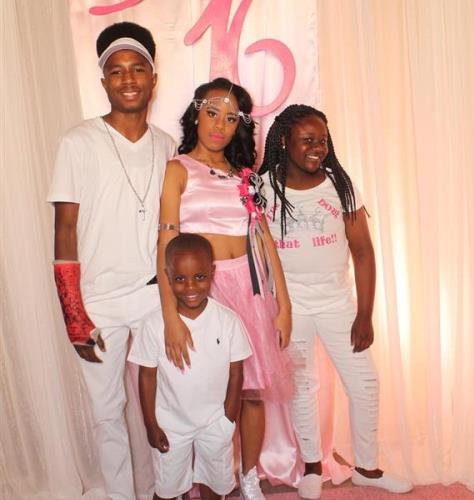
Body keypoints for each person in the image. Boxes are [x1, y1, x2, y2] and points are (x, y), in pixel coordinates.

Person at [47, 22, 176, 500]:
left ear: (153, 78)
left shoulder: (167, 145)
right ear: (103, 81)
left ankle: (166, 489)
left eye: (137, 68)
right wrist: (74, 314)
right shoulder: (78, 142)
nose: (128, 80)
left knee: (166, 402)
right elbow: (64, 230)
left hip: (153, 297)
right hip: (98, 300)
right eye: (116, 71)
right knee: (107, 411)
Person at [260, 104, 413, 498]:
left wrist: (364, 314)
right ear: (284, 141)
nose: (318, 148)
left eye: (323, 140)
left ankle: (367, 469)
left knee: (364, 383)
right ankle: (312, 467)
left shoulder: (339, 186)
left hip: (337, 304)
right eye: (307, 140)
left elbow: (363, 252)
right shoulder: (264, 188)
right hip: (290, 307)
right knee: (302, 385)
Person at [157, 77, 292, 499]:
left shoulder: (245, 177)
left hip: (249, 290)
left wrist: (283, 305)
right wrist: (170, 316)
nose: (219, 125)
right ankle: (201, 481)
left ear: (240, 126)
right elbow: (165, 246)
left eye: (231, 118)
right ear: (196, 115)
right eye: (212, 113)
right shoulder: (177, 170)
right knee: (206, 393)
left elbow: (264, 241)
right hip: (204, 294)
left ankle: (248, 477)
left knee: (251, 390)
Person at [128, 233, 252, 500]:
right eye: (180, 279)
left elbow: (236, 374)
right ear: (167, 276)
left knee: (214, 487)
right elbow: (146, 376)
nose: (190, 286)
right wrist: (150, 425)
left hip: (215, 423)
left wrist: (228, 419)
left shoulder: (228, 321)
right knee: (167, 490)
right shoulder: (153, 325)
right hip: (171, 426)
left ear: (212, 272)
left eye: (199, 276)